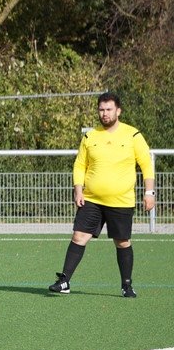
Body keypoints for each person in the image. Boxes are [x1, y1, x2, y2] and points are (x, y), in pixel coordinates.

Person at [49, 91, 155, 297]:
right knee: (79, 236)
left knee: (122, 242)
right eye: (101, 110)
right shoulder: (90, 136)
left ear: (118, 111)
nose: (105, 113)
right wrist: (78, 190)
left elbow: (145, 164)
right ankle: (64, 281)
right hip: (91, 199)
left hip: (121, 201)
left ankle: (126, 286)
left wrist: (149, 192)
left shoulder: (133, 135)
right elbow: (80, 165)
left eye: (109, 109)